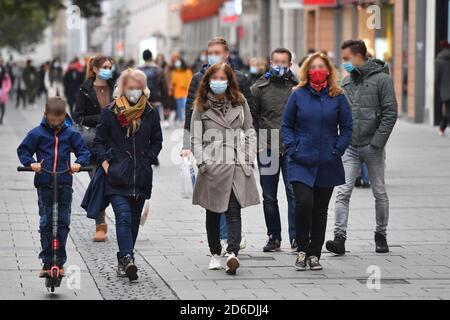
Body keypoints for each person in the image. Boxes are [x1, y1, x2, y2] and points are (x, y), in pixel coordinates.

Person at [181, 38, 255, 251]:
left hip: (234, 152)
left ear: (226, 54)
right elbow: (190, 111)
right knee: (214, 202)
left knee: (233, 201)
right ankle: (222, 240)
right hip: (210, 149)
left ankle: (230, 241)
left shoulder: (239, 78)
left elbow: (249, 113)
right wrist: (190, 147)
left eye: (217, 52)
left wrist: (249, 154)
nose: (213, 55)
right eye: (210, 51)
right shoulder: (199, 78)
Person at [325, 40, 398, 255]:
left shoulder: (382, 80)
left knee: (379, 191)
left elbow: (390, 113)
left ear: (359, 56)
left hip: (372, 146)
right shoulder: (346, 82)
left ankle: (381, 234)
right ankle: (339, 238)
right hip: (350, 146)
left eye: (347, 58)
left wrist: (377, 142)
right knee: (343, 191)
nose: (344, 63)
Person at [282, 52, 353, 271]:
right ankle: (302, 249)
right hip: (300, 159)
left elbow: (347, 126)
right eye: (314, 67)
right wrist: (293, 148)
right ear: (307, 71)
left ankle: (315, 253)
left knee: (320, 209)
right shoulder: (298, 94)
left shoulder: (338, 95)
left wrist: (338, 149)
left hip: (327, 160)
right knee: (303, 203)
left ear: (329, 70)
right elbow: (286, 125)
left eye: (322, 66)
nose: (318, 70)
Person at [92, 69, 163, 281]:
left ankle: (124, 259)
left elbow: (157, 141)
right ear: (123, 88)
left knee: (133, 222)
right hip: (116, 176)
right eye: (131, 87)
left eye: (138, 87)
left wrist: (147, 159)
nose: (134, 91)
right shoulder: (110, 112)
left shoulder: (149, 112)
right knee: (122, 217)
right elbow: (98, 142)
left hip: (140, 177)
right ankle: (127, 258)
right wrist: (107, 163)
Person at [191, 62, 260, 275]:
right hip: (212, 166)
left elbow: (249, 130)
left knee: (233, 209)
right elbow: (195, 137)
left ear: (229, 81)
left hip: (236, 163)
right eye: (215, 78)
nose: (219, 82)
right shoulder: (201, 106)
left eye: (223, 78)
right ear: (208, 81)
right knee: (213, 211)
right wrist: (203, 163)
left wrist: (247, 158)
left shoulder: (240, 102)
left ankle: (232, 254)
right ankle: (214, 253)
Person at [17, 97, 90, 277]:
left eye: (59, 119)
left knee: (63, 222)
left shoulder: (71, 134)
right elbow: (24, 150)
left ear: (64, 116)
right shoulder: (37, 133)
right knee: (47, 222)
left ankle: (60, 261)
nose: (56, 123)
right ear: (45, 115)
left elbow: (84, 151)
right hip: (45, 182)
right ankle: (47, 261)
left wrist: (79, 163)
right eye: (52, 119)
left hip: (64, 182)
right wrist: (31, 163)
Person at [250, 48, 298, 252]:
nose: (279, 65)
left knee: (294, 194)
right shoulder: (258, 88)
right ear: (270, 62)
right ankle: (274, 237)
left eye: (283, 62)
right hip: (267, 147)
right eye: (276, 61)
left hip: (292, 148)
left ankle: (296, 237)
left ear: (290, 64)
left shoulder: (297, 87)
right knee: (269, 196)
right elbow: (252, 119)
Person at [73, 55, 115, 242]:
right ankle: (100, 225)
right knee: (98, 182)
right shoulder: (85, 90)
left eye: (110, 66)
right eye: (105, 66)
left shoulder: (116, 87)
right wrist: (102, 117)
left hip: (116, 142)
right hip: (93, 142)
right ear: (96, 69)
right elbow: (79, 117)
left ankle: (131, 216)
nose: (108, 69)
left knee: (121, 181)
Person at [139, 50, 169, 122]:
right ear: (151, 57)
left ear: (143, 58)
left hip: (141, 100)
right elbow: (164, 88)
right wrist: (166, 103)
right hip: (155, 100)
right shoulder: (159, 70)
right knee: (155, 123)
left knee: (143, 122)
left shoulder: (138, 70)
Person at [170, 54, 193, 126]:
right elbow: (173, 82)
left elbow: (190, 81)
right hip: (178, 93)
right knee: (179, 108)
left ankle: (186, 120)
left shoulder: (187, 71)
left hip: (186, 92)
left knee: (185, 107)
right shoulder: (174, 72)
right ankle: (181, 120)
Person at [436, 40, 450, 136]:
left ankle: (442, 127)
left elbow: (437, 78)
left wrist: (439, 88)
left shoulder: (438, 60)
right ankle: (442, 127)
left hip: (444, 90)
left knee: (447, 109)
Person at [0, 58, 12, 125]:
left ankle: (1, 119)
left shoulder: (5, 71)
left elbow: (8, 82)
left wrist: (6, 90)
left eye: (1, 61)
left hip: (3, 90)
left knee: (3, 106)